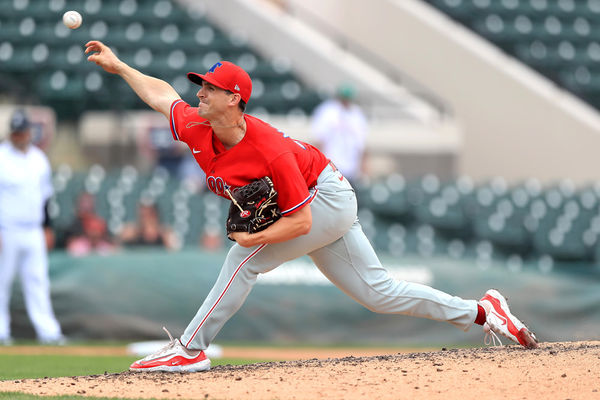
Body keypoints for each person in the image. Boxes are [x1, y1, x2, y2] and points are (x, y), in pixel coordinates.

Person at [85, 40, 538, 372]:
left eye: (209, 88)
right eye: (200, 86)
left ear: (234, 100)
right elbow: (162, 94)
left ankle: (190, 348)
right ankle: (482, 311)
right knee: (378, 293)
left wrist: (255, 237)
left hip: (325, 197)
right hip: (310, 203)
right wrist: (121, 65)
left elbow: (300, 221)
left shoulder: (270, 149)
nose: (199, 93)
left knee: (243, 259)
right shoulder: (197, 126)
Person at [0, 109, 65, 345]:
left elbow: (46, 197)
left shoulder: (38, 159)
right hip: (7, 229)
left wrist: (47, 227)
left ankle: (48, 332)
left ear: (29, 132)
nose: (19, 136)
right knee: (2, 281)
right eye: (15, 132)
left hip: (33, 229)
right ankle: (1, 331)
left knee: (38, 281)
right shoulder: (2, 157)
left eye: (22, 131)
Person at [310, 83, 369, 185]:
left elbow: (362, 145)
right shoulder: (327, 111)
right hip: (331, 167)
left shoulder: (357, 114)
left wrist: (363, 168)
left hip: (351, 169)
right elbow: (318, 140)